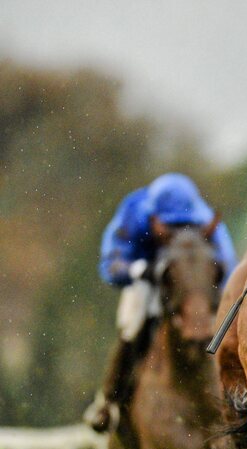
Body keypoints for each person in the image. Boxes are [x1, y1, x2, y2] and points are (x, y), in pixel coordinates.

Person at [84, 173, 237, 432]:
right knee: (133, 322)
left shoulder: (206, 220)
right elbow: (110, 265)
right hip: (148, 279)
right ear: (152, 215)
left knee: (226, 319)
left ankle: (238, 395)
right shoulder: (133, 214)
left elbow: (229, 270)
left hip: (194, 284)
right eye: (170, 225)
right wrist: (138, 270)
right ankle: (109, 399)